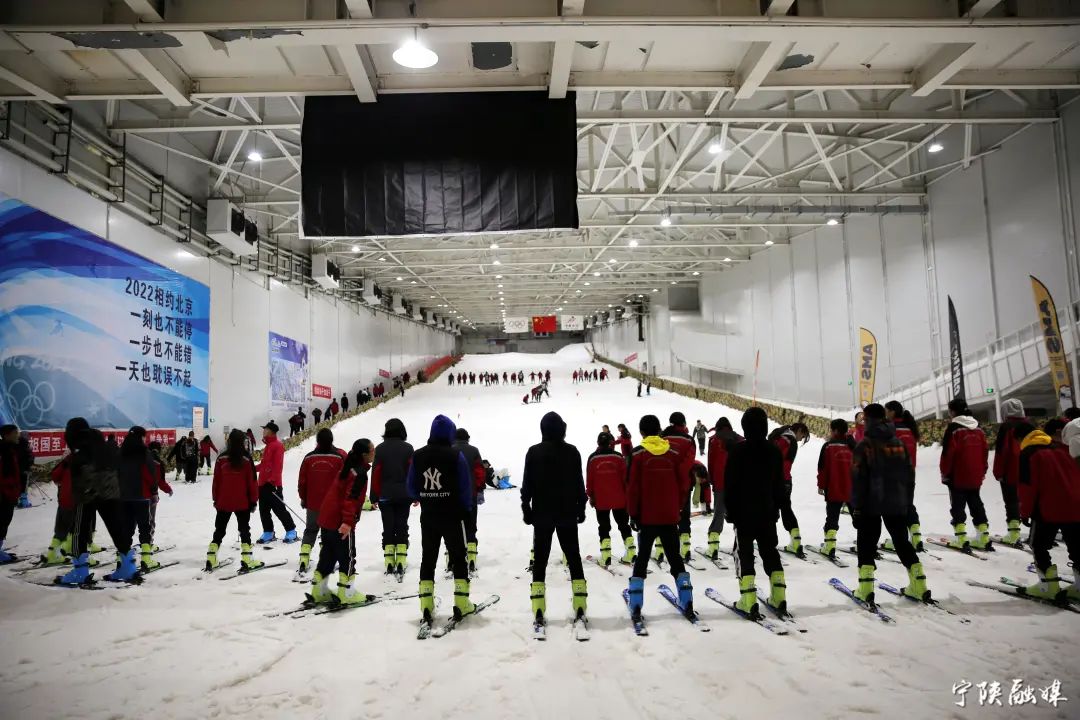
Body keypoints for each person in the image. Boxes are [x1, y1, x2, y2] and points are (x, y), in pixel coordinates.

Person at [850, 404, 929, 605]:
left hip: (871, 503)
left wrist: (856, 507)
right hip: (897, 501)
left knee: (866, 543)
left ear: (868, 419)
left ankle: (866, 588)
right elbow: (910, 474)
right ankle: (919, 584)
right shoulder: (898, 443)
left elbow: (858, 480)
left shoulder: (864, 445)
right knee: (901, 541)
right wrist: (907, 501)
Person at [408, 415, 476, 624]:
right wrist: (466, 509)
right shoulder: (455, 456)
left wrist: (424, 497)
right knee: (458, 557)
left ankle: (426, 604)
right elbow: (465, 486)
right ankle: (461, 602)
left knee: (428, 558)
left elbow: (411, 487)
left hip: (428, 515)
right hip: (453, 515)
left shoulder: (418, 455)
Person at [521, 412, 588, 626]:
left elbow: (527, 484)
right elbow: (579, 483)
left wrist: (526, 508)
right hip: (567, 513)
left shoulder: (534, 452)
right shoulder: (572, 451)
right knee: (574, 558)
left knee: (540, 561)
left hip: (542, 515)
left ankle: (538, 606)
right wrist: (581, 506)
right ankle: (580, 603)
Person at [626, 414, 693, 621]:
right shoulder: (673, 453)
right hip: (669, 515)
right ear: (659, 430)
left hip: (647, 517)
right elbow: (683, 483)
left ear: (641, 432)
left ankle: (636, 603)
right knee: (675, 558)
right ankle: (687, 598)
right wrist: (678, 507)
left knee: (643, 558)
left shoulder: (637, 454)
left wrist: (633, 514)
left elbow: (632, 488)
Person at [57, 418, 137, 585]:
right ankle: (128, 567)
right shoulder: (100, 442)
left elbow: (78, 470)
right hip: (110, 489)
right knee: (116, 527)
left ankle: (80, 571)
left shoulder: (78, 445)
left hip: (86, 492)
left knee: (79, 530)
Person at [724, 408, 786, 617]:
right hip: (767, 510)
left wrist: (730, 511)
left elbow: (730, 484)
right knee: (770, 551)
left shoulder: (738, 451)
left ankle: (748, 599)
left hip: (743, 513)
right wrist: (777, 508)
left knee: (744, 553)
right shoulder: (774, 451)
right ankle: (779, 596)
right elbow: (779, 484)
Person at [1013, 421, 1080, 601]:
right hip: (1074, 504)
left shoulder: (1028, 453)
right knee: (1076, 545)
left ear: (1020, 438)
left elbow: (1027, 487)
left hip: (1047, 507)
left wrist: (1025, 512)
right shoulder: (1060, 447)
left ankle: (1048, 585)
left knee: (1038, 545)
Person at [308, 438, 375, 605]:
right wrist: (347, 522)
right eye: (372, 450)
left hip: (327, 518)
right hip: (340, 520)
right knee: (348, 557)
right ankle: (347, 592)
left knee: (328, 554)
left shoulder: (348, 467)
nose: (375, 453)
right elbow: (350, 499)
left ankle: (319, 590)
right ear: (364, 454)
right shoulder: (359, 473)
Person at [206, 429, 263, 573]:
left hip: (223, 501)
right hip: (242, 501)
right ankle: (247, 560)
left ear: (229, 441)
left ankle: (211, 557)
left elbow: (216, 481)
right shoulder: (246, 459)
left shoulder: (221, 458)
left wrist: (216, 499)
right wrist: (253, 501)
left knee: (219, 530)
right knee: (244, 530)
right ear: (242, 442)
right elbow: (252, 482)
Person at [939, 399, 991, 550]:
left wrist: (945, 473)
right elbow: (985, 451)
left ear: (952, 411)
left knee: (957, 506)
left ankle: (961, 538)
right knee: (976, 503)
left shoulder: (953, 428)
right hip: (975, 474)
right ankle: (983, 537)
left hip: (957, 474)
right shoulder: (978, 428)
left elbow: (948, 453)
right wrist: (983, 470)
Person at [296, 428, 347, 578]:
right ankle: (325, 562)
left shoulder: (308, 458)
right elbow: (344, 481)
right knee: (328, 532)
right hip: (332, 505)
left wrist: (304, 498)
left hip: (313, 503)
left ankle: (304, 558)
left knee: (310, 530)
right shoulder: (339, 458)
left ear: (317, 441)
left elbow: (302, 482)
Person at [371, 419, 415, 576]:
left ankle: (389, 560)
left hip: (385, 495)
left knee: (388, 526)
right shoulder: (408, 448)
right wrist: (415, 493)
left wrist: (374, 496)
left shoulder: (380, 449)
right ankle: (401, 559)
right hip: (404, 494)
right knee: (402, 525)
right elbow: (412, 472)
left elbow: (376, 474)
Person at [117, 428, 163, 571]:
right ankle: (146, 560)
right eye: (144, 437)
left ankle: (122, 561)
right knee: (144, 528)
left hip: (123, 496)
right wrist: (154, 490)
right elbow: (150, 474)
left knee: (126, 528)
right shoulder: (144, 453)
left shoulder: (121, 453)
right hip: (141, 496)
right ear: (141, 437)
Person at [586, 432, 634, 566]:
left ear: (598, 443)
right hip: (620, 499)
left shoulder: (593, 458)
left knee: (604, 527)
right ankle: (631, 552)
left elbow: (590, 479)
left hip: (601, 500)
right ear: (610, 443)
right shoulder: (618, 457)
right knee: (624, 525)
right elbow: (626, 479)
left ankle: (606, 555)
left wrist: (591, 495)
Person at [883, 400, 924, 552]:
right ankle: (916, 535)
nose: (885, 414)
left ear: (892, 412)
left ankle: (900, 541)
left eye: (886, 411)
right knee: (908, 505)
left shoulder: (890, 428)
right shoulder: (910, 428)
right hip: (909, 473)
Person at [768, 422, 810, 557]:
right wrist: (784, 482)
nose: (801, 439)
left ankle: (769, 542)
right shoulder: (790, 441)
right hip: (782, 480)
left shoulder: (777, 436)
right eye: (802, 436)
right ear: (799, 430)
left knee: (771, 511)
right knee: (786, 509)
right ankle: (795, 541)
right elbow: (785, 464)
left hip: (770, 479)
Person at [816, 419, 855, 558]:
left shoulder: (828, 447)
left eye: (831, 430)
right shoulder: (853, 446)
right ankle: (867, 545)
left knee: (832, 517)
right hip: (853, 490)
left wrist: (821, 485)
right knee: (859, 519)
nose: (830, 432)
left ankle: (830, 546)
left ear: (836, 431)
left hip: (834, 488)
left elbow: (822, 468)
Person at [705, 417, 743, 560]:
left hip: (720, 482)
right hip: (737, 484)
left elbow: (711, 461)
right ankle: (740, 546)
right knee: (739, 516)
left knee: (719, 514)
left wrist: (712, 481)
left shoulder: (714, 440)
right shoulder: (740, 439)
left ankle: (713, 547)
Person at [661, 412, 696, 563]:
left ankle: (661, 548)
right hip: (684, 485)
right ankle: (685, 547)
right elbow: (688, 464)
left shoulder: (662, 438)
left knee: (664, 517)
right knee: (684, 517)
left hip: (665, 484)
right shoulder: (689, 440)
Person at [255, 421, 297, 544]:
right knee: (264, 511)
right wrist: (252, 468)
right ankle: (268, 532)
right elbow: (264, 465)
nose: (263, 431)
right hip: (262, 484)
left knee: (279, 510)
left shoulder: (277, 446)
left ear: (271, 432)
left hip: (273, 485)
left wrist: (272, 481)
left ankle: (291, 531)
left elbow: (278, 466)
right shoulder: (268, 446)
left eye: (265, 429)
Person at [993, 398, 1027, 547]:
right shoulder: (1030, 425)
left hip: (1011, 470)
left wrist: (998, 472)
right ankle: (1039, 533)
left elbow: (1002, 451)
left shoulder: (1006, 427)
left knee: (1012, 501)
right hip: (1030, 468)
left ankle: (1014, 534)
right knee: (1031, 499)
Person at [453, 428, 486, 573]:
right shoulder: (474, 451)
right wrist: (479, 489)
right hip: (470, 494)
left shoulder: (450, 450)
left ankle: (453, 558)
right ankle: (472, 556)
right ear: (467, 438)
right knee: (471, 526)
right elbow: (480, 472)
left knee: (454, 528)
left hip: (453, 497)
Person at [0, 425, 21, 563]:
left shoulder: (10, 449)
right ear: (7, 435)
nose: (17, 435)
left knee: (4, 521)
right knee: (2, 521)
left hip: (9, 492)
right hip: (4, 493)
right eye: (15, 433)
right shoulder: (4, 451)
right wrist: (10, 490)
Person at [146, 441, 172, 549]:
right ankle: (148, 544)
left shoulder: (142, 460)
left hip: (137, 495)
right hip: (152, 495)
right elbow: (160, 481)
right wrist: (168, 490)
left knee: (135, 521)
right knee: (150, 520)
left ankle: (126, 546)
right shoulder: (158, 463)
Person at [16, 431, 32, 509]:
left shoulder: (15, 445)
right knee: (24, 486)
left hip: (16, 470)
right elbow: (30, 459)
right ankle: (24, 502)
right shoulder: (26, 446)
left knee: (17, 485)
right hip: (25, 470)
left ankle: (16, 501)